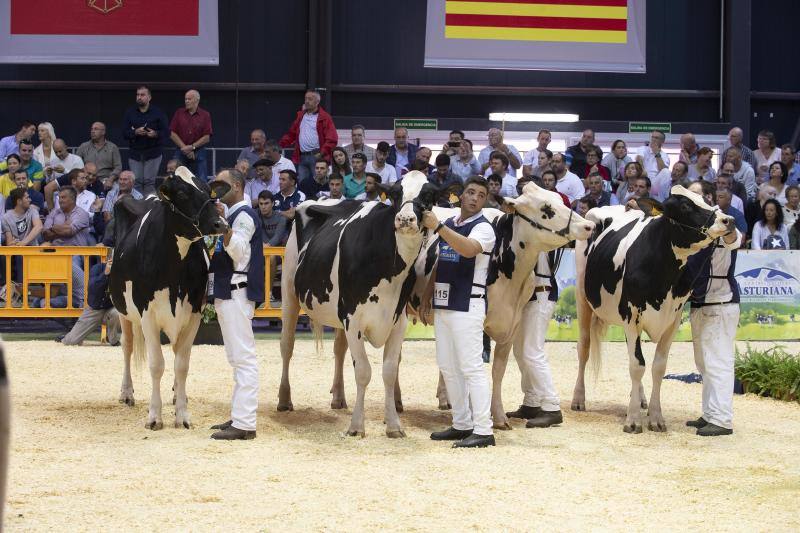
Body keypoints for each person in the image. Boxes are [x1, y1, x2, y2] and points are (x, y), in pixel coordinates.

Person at [420, 176, 497, 448]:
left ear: (484, 200)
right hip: (445, 302)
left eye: (480, 194)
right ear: (460, 197)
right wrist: (427, 296)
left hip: (469, 304)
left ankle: (484, 429)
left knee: (472, 368)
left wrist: (439, 227)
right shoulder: (452, 225)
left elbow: (467, 250)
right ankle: (462, 423)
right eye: (470, 192)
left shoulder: (483, 228)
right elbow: (442, 262)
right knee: (448, 367)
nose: (474, 197)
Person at [208, 168, 264, 440]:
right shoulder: (233, 215)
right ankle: (239, 415)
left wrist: (223, 226)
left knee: (244, 359)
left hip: (237, 290)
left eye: (223, 185)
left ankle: (244, 424)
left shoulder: (243, 216)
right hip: (228, 291)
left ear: (238, 187)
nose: (217, 190)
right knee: (237, 358)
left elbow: (239, 251)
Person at [684, 180, 741, 437]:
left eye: (698, 195)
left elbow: (734, 238)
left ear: (709, 197)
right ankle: (710, 413)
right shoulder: (689, 227)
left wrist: (726, 227)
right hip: (699, 301)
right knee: (704, 362)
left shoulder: (724, 220)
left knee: (718, 360)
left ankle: (722, 419)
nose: (693, 199)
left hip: (721, 301)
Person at [505, 251, 564, 428]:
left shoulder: (545, 230)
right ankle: (531, 401)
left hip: (541, 293)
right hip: (527, 296)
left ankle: (552, 406)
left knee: (532, 351)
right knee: (520, 351)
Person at [279, 90, 338, 182]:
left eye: (310, 99)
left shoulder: (325, 117)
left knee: (320, 184)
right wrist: (280, 145)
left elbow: (332, 139)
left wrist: (322, 153)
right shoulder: (300, 116)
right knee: (302, 185)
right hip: (302, 157)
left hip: (317, 156)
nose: (307, 101)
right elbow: (292, 134)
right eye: (306, 98)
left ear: (317, 102)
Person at [60, 259, 121, 347]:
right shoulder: (97, 268)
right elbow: (93, 287)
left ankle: (113, 339)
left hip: (111, 308)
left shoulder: (124, 272)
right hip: (94, 310)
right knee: (71, 342)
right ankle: (68, 336)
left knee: (117, 313)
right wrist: (105, 274)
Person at [122, 85, 169, 194]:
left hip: (153, 153)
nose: (139, 97)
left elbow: (167, 132)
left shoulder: (158, 112)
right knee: (136, 182)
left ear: (149, 97)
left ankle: (148, 207)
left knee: (149, 182)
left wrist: (155, 133)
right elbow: (124, 133)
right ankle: (138, 208)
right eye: (137, 95)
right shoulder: (130, 113)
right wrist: (135, 132)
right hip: (135, 153)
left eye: (142, 95)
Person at [169, 89, 213, 181]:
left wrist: (192, 147)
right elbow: (172, 133)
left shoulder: (205, 115)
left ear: (197, 100)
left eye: (189, 99)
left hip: (199, 150)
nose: (186, 101)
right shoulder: (179, 113)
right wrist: (185, 148)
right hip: (181, 149)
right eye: (185, 99)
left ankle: (201, 194)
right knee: (176, 178)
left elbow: (207, 137)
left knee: (201, 180)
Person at [256, 190, 288, 307]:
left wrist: (267, 246)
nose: (263, 207)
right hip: (259, 251)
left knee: (272, 257)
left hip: (277, 253)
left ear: (273, 204)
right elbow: (255, 234)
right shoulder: (255, 215)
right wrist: (262, 246)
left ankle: (268, 293)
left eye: (266, 203)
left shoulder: (281, 217)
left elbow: (278, 236)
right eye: (261, 204)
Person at [75, 122, 122, 188]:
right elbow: (76, 165)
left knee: (116, 188)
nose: (92, 131)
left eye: (96, 129)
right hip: (87, 179)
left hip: (106, 180)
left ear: (103, 132)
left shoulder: (112, 147)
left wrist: (111, 179)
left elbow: (118, 167)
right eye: (92, 129)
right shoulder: (83, 146)